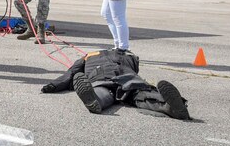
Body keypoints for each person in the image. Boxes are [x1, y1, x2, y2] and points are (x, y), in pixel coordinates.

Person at [41, 48, 190, 119]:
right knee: (139, 92)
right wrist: (53, 86)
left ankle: (95, 101)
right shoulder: (127, 55)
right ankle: (168, 106)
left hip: (103, 75)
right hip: (126, 75)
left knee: (104, 91)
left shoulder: (89, 56)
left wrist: (53, 86)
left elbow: (71, 73)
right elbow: (71, 73)